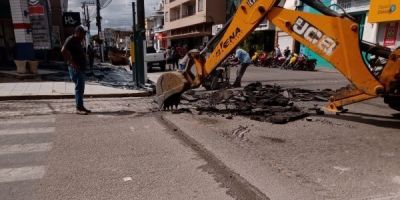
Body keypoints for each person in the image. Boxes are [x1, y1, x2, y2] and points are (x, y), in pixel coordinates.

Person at [61, 25, 91, 115]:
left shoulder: (78, 41)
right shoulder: (71, 39)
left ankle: (80, 106)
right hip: (75, 68)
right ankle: (78, 107)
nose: (83, 37)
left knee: (81, 88)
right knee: (79, 87)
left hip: (80, 68)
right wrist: (72, 62)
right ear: (77, 33)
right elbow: (63, 50)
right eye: (82, 35)